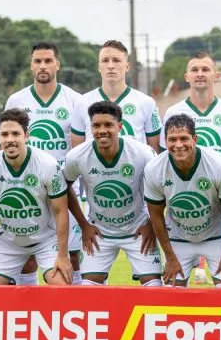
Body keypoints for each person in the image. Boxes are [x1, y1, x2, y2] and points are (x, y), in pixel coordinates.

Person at [5, 42, 84, 272]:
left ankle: (70, 302)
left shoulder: (75, 100)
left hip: (65, 188)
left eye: (48, 61)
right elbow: (9, 144)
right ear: (31, 66)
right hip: (28, 188)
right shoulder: (16, 101)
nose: (43, 66)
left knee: (71, 256)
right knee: (27, 258)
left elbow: (79, 152)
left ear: (57, 65)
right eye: (38, 61)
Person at [62, 101, 159, 285]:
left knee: (154, 287)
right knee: (89, 288)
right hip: (100, 233)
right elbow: (63, 187)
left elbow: (163, 188)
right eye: (96, 125)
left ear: (119, 126)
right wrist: (84, 225)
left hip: (137, 231)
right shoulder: (77, 156)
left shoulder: (142, 153)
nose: (102, 130)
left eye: (108, 125)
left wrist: (151, 224)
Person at [0, 109, 73, 286]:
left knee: (61, 285)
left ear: (26, 135)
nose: (10, 139)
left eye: (15, 134)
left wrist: (63, 255)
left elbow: (60, 211)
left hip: (45, 239)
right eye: (4, 134)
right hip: (8, 242)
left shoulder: (47, 165)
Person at [145, 114, 221, 287]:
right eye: (172, 139)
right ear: (165, 141)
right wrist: (170, 258)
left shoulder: (219, 164)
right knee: (171, 293)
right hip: (178, 237)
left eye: (184, 138)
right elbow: (156, 214)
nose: (178, 145)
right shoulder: (154, 168)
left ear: (195, 139)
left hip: (216, 236)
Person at [71, 40, 162, 153]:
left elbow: (155, 152)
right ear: (99, 67)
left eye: (116, 60)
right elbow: (77, 153)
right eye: (105, 61)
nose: (110, 66)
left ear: (127, 66)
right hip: (95, 170)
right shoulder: (82, 102)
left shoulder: (146, 102)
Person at [160, 52, 221, 154]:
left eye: (205, 70)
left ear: (216, 76)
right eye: (194, 70)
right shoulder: (172, 113)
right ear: (186, 77)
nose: (200, 74)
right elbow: (165, 154)